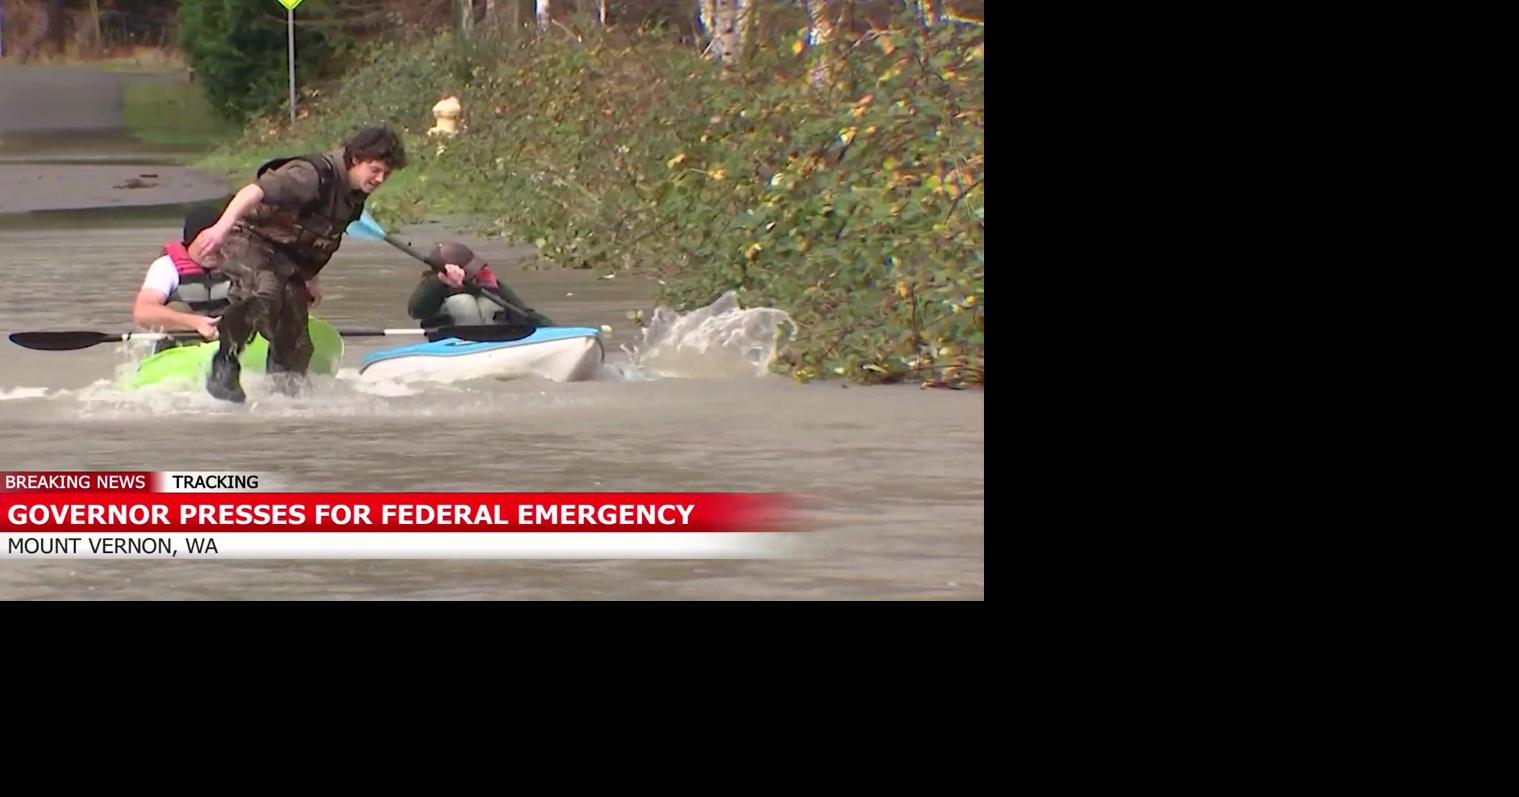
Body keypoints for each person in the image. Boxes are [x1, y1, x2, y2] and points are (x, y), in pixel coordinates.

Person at [190, 126, 408, 402]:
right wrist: (220, 228)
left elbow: (321, 237)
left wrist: (311, 278)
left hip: (287, 258)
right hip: (247, 239)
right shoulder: (310, 174)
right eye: (375, 170)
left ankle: (284, 398)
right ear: (355, 159)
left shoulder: (353, 198)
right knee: (264, 292)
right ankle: (225, 363)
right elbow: (252, 191)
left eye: (386, 175)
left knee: (297, 340)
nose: (379, 179)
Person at [132, 205, 228, 348]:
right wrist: (195, 323)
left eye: (217, 243)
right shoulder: (166, 266)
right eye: (205, 243)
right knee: (177, 307)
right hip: (183, 344)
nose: (212, 249)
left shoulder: (242, 262)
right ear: (190, 241)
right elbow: (143, 311)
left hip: (230, 340)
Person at [408, 242, 555, 328]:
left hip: (494, 343)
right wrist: (439, 281)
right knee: (462, 302)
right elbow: (416, 311)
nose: (478, 271)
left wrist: (559, 332)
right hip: (450, 343)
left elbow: (526, 314)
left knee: (488, 303)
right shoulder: (432, 286)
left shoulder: (487, 282)